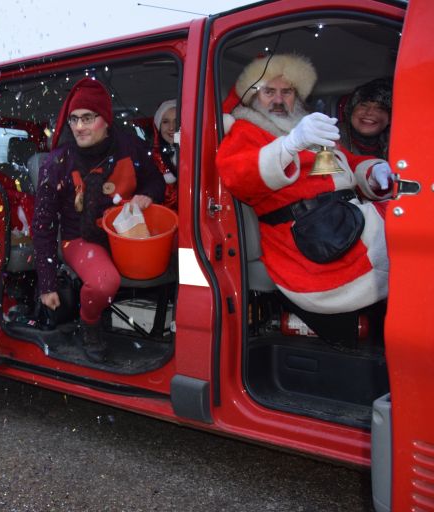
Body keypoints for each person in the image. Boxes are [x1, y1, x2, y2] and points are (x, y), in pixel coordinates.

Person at [216, 53, 393, 345]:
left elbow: (345, 163)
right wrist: (289, 146)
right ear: (252, 96)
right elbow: (238, 176)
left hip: (343, 222)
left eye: (287, 92)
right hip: (309, 240)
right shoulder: (245, 130)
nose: (278, 99)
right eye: (268, 91)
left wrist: (373, 172)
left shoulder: (309, 126)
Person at [32, 77, 165, 363]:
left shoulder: (130, 147)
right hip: (79, 238)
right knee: (105, 282)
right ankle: (89, 325)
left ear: (105, 119)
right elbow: (43, 226)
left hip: (126, 234)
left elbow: (156, 182)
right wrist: (47, 284)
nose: (79, 127)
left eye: (88, 118)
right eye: (74, 119)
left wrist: (146, 196)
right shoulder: (57, 163)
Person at [339, 77, 393, 159]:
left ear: (390, 119)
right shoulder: (330, 139)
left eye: (380, 108)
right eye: (364, 105)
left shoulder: (396, 143)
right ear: (351, 110)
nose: (369, 112)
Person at [151, 99, 179, 209]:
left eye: (176, 121)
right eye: (166, 122)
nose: (171, 127)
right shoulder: (153, 160)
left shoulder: (196, 154)